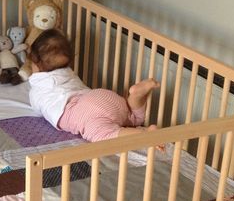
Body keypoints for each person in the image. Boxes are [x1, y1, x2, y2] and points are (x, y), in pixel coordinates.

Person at [28, 29, 159, 142]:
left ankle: (146, 134)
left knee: (101, 135)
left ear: (35, 62)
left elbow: (38, 110)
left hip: (85, 112)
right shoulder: (69, 74)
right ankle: (136, 95)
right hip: (102, 96)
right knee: (133, 119)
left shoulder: (37, 88)